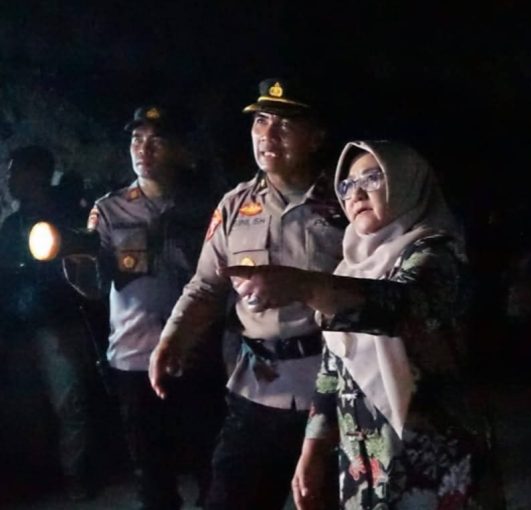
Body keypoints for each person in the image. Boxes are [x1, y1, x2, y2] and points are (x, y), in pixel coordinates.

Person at [218, 140, 492, 509]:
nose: (356, 193)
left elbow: (400, 305)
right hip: (366, 461)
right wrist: (313, 449)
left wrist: (305, 286)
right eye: (346, 185)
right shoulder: (350, 267)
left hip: (434, 461)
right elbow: (332, 370)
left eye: (373, 179)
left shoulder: (436, 254)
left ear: (406, 182)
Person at [149, 78, 346, 510]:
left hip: (333, 393)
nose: (267, 134)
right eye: (261, 121)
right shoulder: (235, 206)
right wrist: (173, 337)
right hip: (255, 391)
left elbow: (377, 293)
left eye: (284, 124)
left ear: (316, 137)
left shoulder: (347, 204)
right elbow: (206, 285)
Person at [66, 105, 224, 510]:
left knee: (211, 466)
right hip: (134, 357)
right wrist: (76, 261)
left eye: (157, 141)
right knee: (152, 475)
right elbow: (94, 288)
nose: (144, 149)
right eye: (137, 139)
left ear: (180, 150)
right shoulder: (110, 209)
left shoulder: (207, 207)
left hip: (196, 354)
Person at [0, 145, 95, 501]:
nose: (9, 179)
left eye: (15, 171)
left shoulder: (67, 213)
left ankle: (76, 475)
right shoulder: (12, 225)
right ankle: (46, 476)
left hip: (61, 322)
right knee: (36, 405)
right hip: (25, 327)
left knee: (69, 402)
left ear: (37, 174)